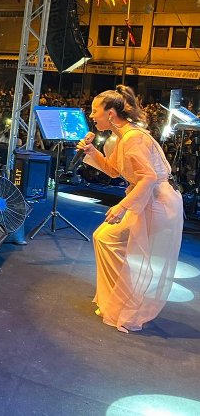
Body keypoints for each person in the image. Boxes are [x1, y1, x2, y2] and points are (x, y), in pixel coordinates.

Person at [77, 85, 183, 333]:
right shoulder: (121, 138)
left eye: (95, 111)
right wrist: (92, 152)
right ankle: (118, 301)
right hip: (147, 198)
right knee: (105, 238)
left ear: (111, 113)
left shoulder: (133, 138)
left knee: (110, 241)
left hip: (157, 201)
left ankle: (125, 306)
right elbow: (114, 171)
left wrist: (122, 207)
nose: (92, 116)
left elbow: (147, 177)